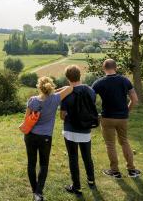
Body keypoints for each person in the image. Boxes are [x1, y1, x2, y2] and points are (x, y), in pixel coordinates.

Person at [24, 77, 73, 201]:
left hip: (30, 136)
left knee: (31, 163)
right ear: (51, 86)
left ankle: (34, 191)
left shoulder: (32, 100)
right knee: (44, 164)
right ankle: (38, 193)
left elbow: (26, 120)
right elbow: (70, 88)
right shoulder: (55, 98)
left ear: (39, 87)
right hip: (45, 137)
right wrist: (54, 91)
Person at [92, 59, 142, 179]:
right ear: (116, 67)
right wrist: (126, 111)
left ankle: (115, 172)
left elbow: (89, 100)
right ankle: (131, 170)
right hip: (122, 118)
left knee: (110, 144)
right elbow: (134, 100)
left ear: (103, 68)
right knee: (124, 141)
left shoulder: (98, 83)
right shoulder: (125, 80)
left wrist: (96, 114)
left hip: (107, 117)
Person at [60, 65, 97, 196]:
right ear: (79, 75)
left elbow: (62, 115)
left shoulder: (66, 93)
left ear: (67, 78)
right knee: (87, 156)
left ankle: (77, 187)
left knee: (73, 158)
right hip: (86, 129)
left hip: (70, 130)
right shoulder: (90, 91)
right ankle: (91, 181)